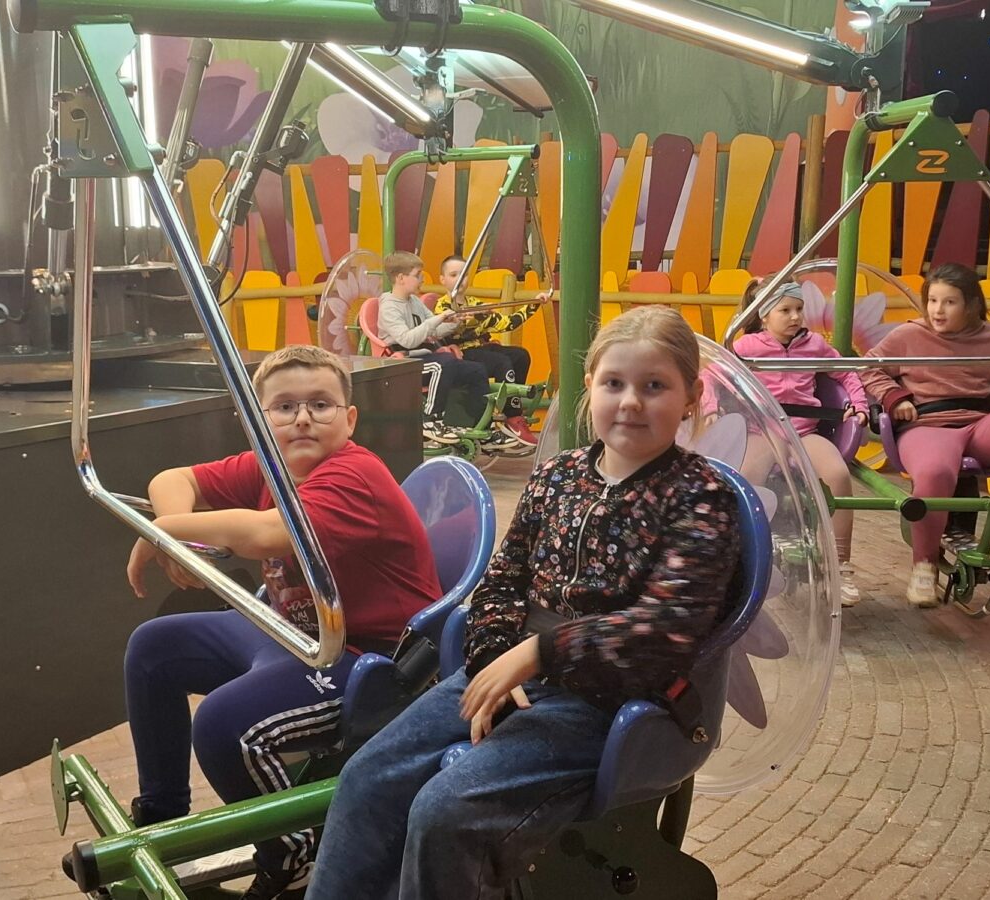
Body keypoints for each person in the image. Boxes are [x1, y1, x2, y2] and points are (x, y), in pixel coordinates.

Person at [307, 306, 742, 900]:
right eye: (614, 383)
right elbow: (502, 580)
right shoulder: (558, 475)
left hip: (607, 701)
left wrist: (537, 653)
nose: (630, 403)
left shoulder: (700, 495)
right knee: (367, 777)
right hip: (510, 671)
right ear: (589, 386)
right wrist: (494, 657)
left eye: (654, 386)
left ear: (690, 396)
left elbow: (666, 627)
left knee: (446, 813)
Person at [121, 346, 443, 900]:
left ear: (349, 418)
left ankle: (295, 862)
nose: (302, 419)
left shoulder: (354, 473)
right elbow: (174, 478)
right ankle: (162, 820)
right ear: (258, 420)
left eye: (321, 404)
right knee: (153, 648)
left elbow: (268, 532)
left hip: (367, 657)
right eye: (284, 407)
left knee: (226, 727)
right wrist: (178, 529)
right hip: (295, 633)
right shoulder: (271, 462)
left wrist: (167, 531)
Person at [860, 262, 990, 607]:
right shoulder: (908, 335)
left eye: (949, 302)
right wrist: (894, 396)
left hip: (980, 423)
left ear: (972, 305)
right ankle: (924, 566)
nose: (938, 310)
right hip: (928, 423)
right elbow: (868, 367)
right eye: (932, 301)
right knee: (935, 471)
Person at [723, 279, 870, 607]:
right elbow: (715, 375)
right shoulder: (747, 347)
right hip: (764, 431)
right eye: (785, 310)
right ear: (764, 315)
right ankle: (740, 559)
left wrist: (859, 405)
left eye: (799, 309)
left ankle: (840, 566)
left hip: (804, 431)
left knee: (838, 475)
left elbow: (845, 372)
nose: (795, 317)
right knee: (747, 479)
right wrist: (711, 406)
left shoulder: (814, 345)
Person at [433, 254, 549, 447]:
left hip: (481, 348)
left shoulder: (475, 303)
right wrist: (477, 317)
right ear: (442, 279)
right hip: (460, 353)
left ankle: (512, 405)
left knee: (520, 355)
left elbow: (507, 323)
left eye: (464, 274)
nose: (460, 280)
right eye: (454, 275)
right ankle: (512, 416)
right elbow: (451, 329)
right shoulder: (443, 305)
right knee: (501, 363)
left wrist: (533, 305)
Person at [376, 251, 490, 443]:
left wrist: (456, 321)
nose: (422, 279)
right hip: (401, 363)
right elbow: (407, 340)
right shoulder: (389, 307)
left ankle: (477, 425)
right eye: (418, 275)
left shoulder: (414, 301)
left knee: (476, 370)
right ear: (401, 278)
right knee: (443, 364)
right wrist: (438, 318)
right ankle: (429, 419)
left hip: (423, 356)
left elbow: (435, 331)